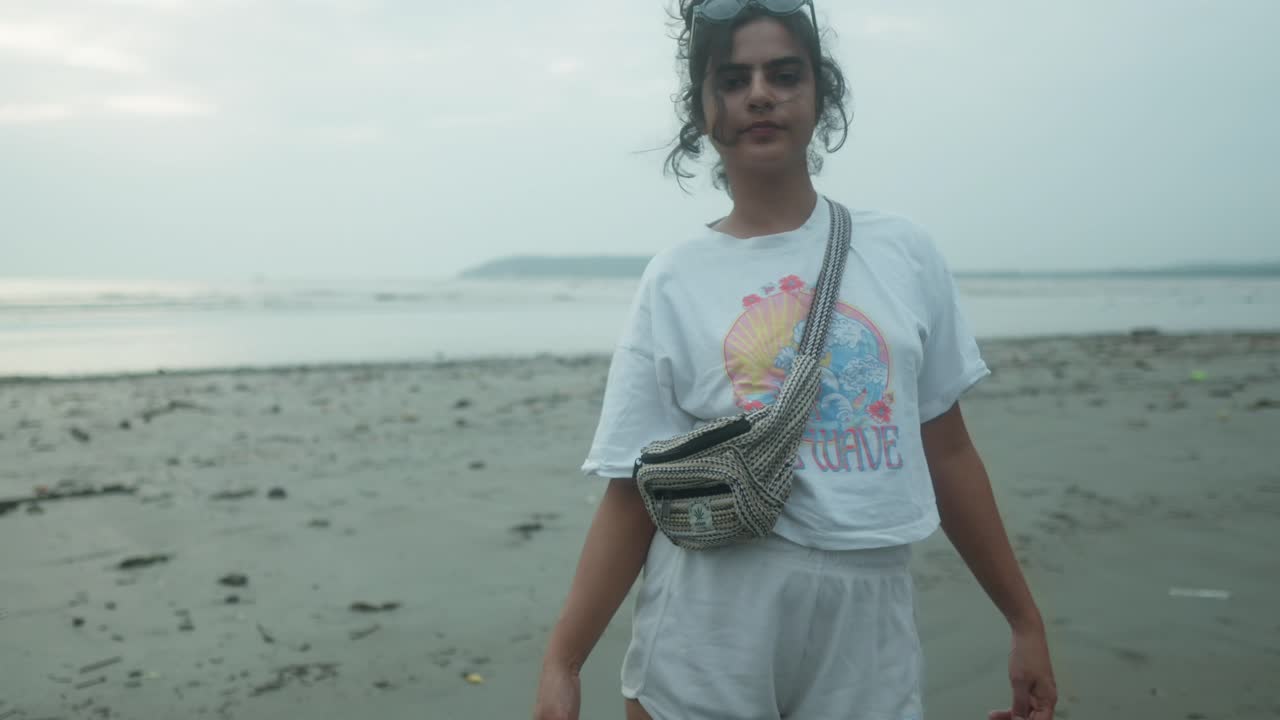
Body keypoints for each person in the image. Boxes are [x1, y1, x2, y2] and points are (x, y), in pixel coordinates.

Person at [532, 1, 1058, 718]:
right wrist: (564, 662)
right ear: (703, 110)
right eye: (732, 79)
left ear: (820, 96)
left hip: (868, 624)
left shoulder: (901, 253)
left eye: (784, 75)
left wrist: (1024, 621)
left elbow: (949, 451)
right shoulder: (676, 278)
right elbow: (633, 487)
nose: (759, 95)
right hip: (712, 618)